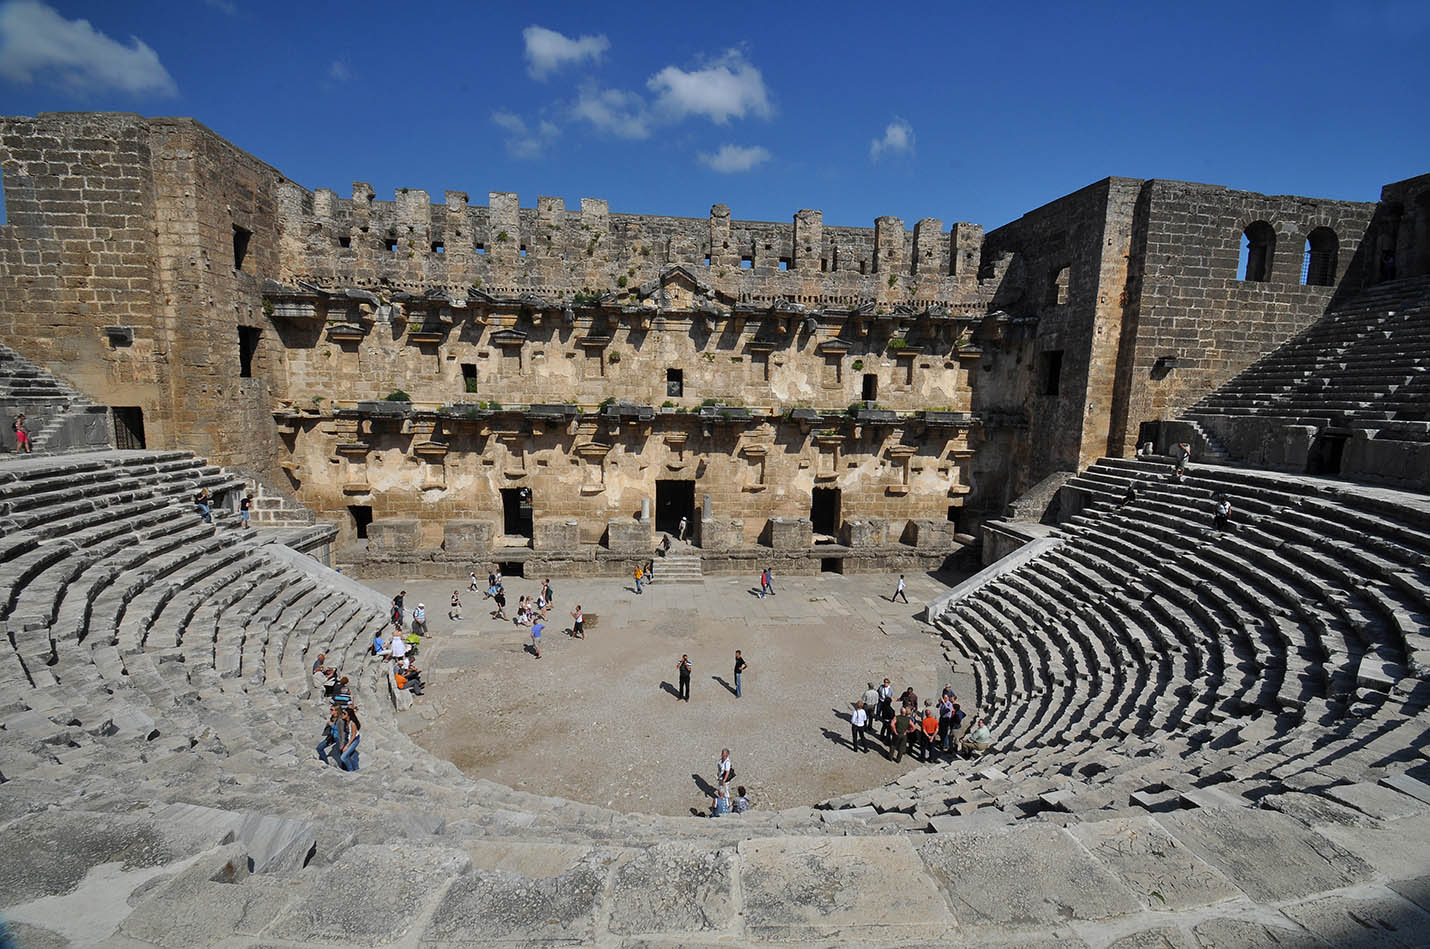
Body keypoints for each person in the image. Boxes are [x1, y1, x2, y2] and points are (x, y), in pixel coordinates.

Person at [337, 707, 361, 771]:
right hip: (349, 739)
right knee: (353, 756)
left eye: (344, 713)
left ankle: (350, 770)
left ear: (349, 715)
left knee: (343, 757)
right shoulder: (345, 721)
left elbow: (353, 735)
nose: (342, 714)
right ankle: (356, 769)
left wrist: (347, 746)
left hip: (354, 740)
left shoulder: (352, 723)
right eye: (342, 713)